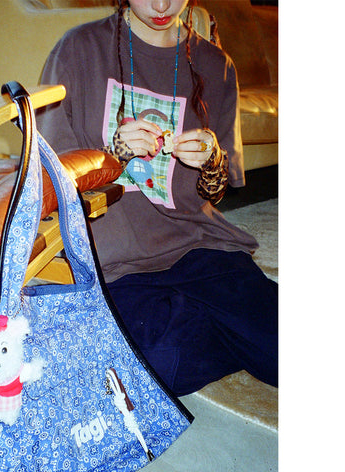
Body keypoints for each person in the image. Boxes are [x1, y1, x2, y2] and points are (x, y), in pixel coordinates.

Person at [36, 0, 278, 396]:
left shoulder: (217, 65)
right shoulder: (78, 48)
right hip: (117, 260)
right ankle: (224, 322)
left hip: (199, 246)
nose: (162, 5)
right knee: (159, 366)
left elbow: (215, 193)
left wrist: (212, 160)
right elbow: (53, 177)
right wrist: (113, 154)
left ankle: (219, 317)